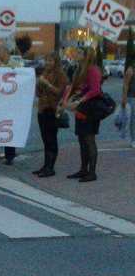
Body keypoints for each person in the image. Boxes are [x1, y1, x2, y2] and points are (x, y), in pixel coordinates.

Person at [59, 46, 103, 182]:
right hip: (81, 110)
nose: (76, 54)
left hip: (90, 110)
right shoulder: (80, 69)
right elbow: (74, 87)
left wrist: (81, 99)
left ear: (86, 55)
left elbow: (95, 90)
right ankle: (83, 169)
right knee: (82, 140)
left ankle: (92, 172)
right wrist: (66, 100)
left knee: (89, 140)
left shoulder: (92, 69)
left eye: (79, 52)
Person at [32, 52, 69, 177]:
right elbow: (38, 93)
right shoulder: (44, 73)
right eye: (46, 60)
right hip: (42, 109)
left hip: (52, 110)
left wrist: (47, 84)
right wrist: (39, 84)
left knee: (51, 139)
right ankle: (45, 165)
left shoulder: (61, 75)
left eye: (50, 61)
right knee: (45, 139)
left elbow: (59, 92)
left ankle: (50, 168)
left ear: (56, 62)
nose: (48, 63)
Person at [0, 45, 21, 165]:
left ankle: (9, 155)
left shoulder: (16, 64)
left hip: (9, 103)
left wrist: (0, 67)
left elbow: (19, 76)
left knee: (8, 128)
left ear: (6, 51)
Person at [122, 57, 135, 148]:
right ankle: (133, 140)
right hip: (132, 97)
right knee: (133, 120)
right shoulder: (131, 70)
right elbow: (125, 84)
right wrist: (124, 98)